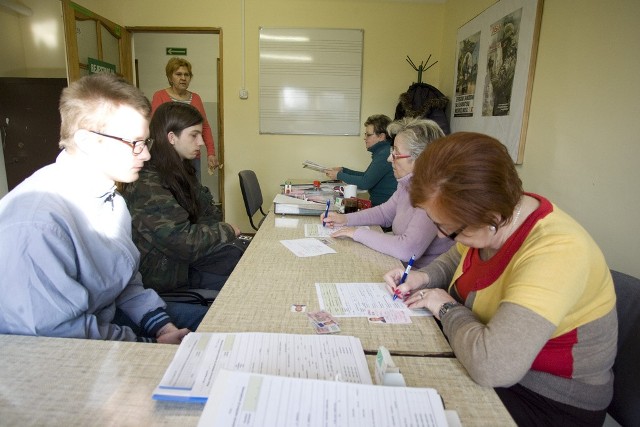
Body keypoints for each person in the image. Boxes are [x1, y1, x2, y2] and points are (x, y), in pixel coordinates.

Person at [383, 132, 617, 426]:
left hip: (546, 399)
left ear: (492, 219)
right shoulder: (491, 219)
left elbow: (493, 366)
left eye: (450, 229)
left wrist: (446, 308)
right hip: (486, 360)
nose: (441, 236)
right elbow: (457, 256)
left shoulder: (558, 251)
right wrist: (423, 277)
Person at [0, 73, 197, 343]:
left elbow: (125, 282)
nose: (146, 154)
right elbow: (59, 337)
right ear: (86, 142)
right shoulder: (36, 223)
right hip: (60, 355)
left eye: (145, 142)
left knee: (219, 323)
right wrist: (147, 346)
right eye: (134, 143)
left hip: (104, 319)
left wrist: (162, 327)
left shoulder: (112, 201)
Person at [122, 102, 242, 294]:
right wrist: (225, 230)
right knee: (244, 282)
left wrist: (220, 233)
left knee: (245, 257)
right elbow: (183, 242)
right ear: (171, 137)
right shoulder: (149, 184)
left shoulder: (181, 170)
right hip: (168, 275)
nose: (201, 142)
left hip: (187, 262)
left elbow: (207, 216)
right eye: (194, 135)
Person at [322, 118, 453, 268]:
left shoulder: (435, 194)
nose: (390, 158)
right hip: (398, 266)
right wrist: (344, 219)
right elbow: (384, 213)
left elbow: (407, 249)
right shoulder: (406, 184)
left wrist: (356, 233)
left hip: (418, 278)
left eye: (396, 152)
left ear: (421, 159)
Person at [151, 57, 219, 180]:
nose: (183, 78)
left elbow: (205, 127)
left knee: (194, 191)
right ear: (170, 77)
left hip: (193, 156)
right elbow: (155, 127)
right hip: (169, 156)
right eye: (178, 74)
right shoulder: (159, 96)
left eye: (186, 75)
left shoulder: (196, 98)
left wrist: (211, 153)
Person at [325, 114, 397, 206]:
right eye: (365, 134)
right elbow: (367, 177)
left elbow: (365, 183)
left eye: (369, 135)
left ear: (381, 136)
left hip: (383, 208)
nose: (365, 138)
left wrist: (338, 175)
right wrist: (343, 170)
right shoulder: (383, 151)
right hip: (382, 205)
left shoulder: (384, 153)